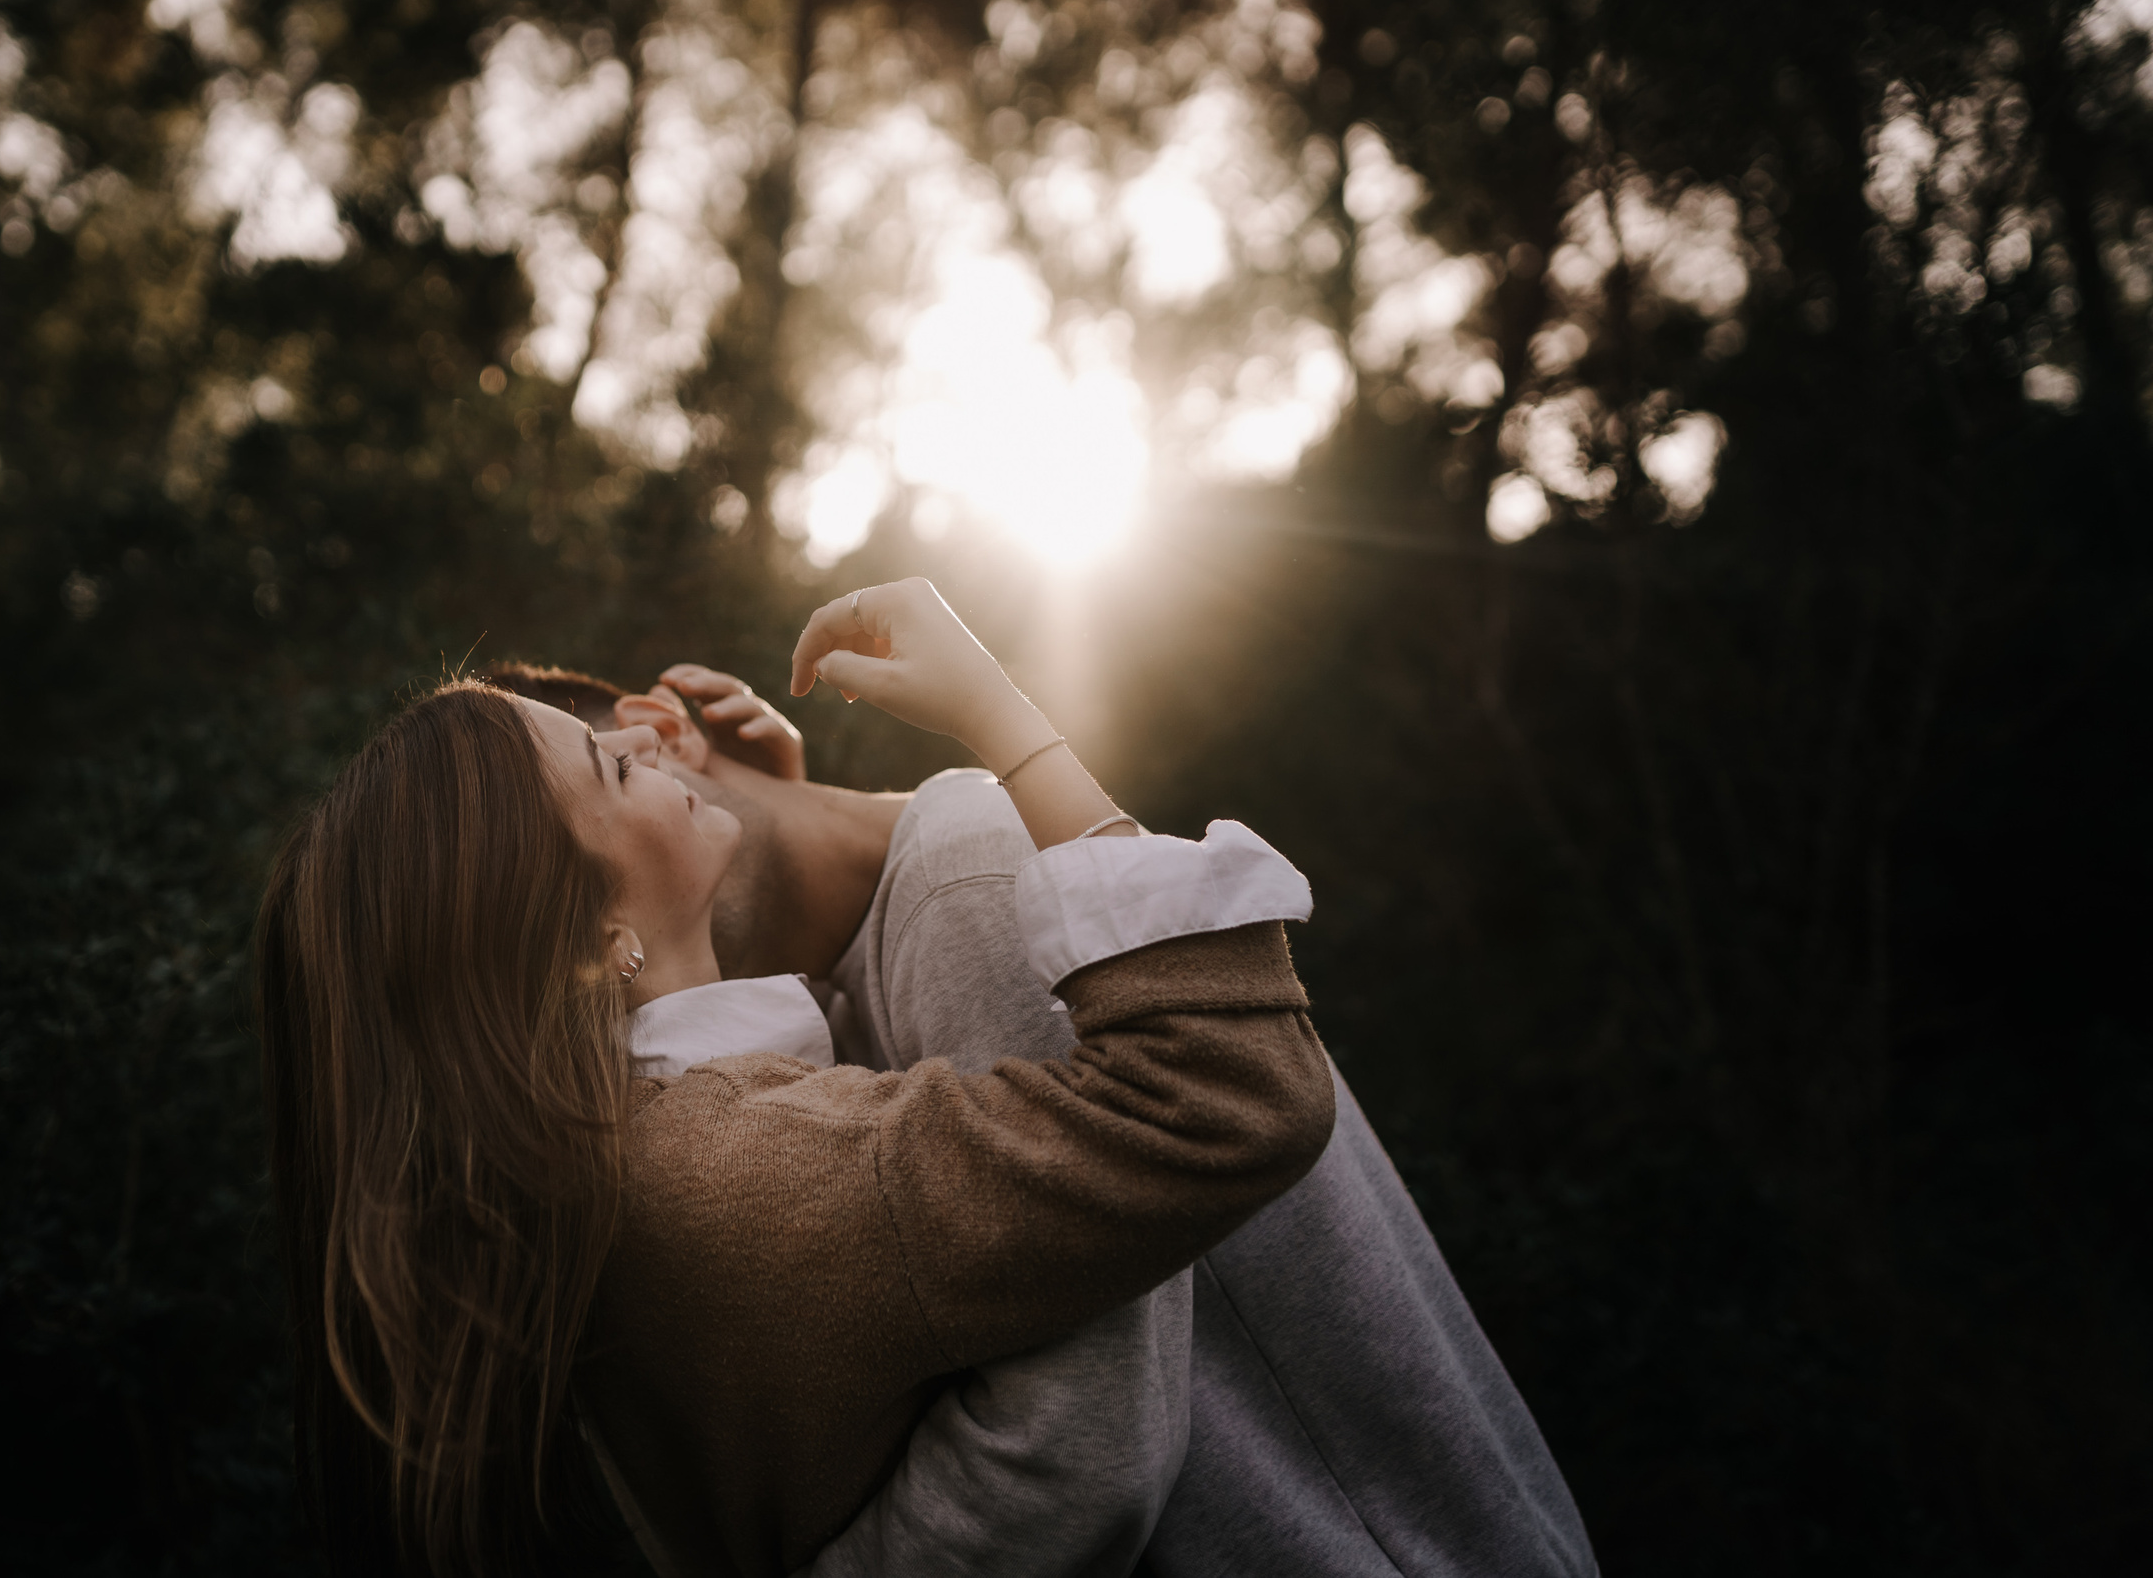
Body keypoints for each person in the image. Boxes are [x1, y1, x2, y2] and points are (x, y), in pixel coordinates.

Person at [257, 578, 1337, 1578]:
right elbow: (1228, 1094)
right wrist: (1004, 718)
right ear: (595, 941)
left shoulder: (616, 1159)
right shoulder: (743, 1168)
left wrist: (777, 839)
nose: (643, 739)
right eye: (611, 768)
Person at [500, 641, 1597, 1576]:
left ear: (660, 734)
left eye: (617, 763)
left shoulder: (965, 885)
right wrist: (785, 835)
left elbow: (1077, 1444)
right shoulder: (869, 958)